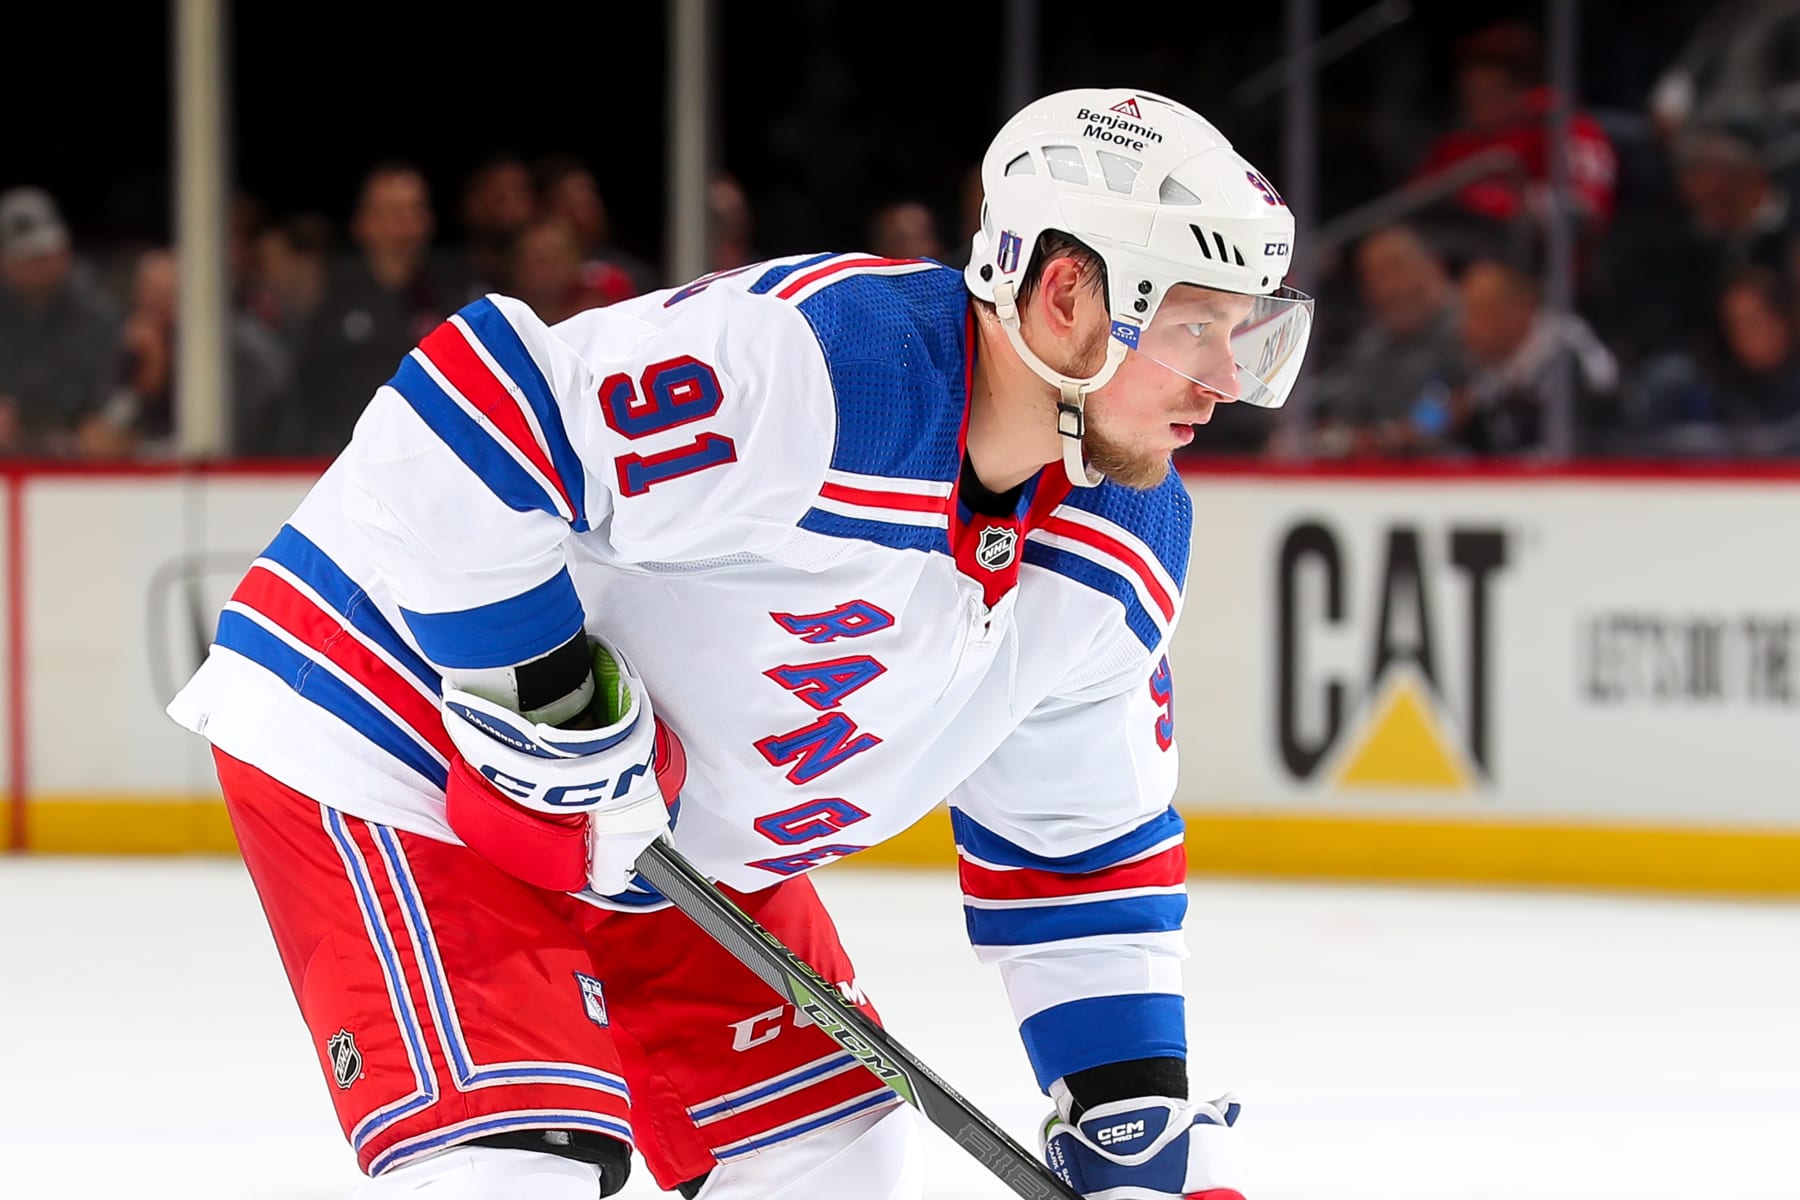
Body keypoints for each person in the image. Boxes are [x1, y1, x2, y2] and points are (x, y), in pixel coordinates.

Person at [166, 87, 1312, 1200]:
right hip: (397, 735)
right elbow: (461, 421)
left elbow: (1080, 846)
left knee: (835, 1161)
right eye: (1195, 326)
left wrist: (1135, 1122)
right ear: (1066, 296)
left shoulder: (1128, 538)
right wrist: (544, 691)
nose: (1224, 383)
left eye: (1243, 334)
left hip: (662, 849)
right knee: (516, 1162)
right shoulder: (829, 368)